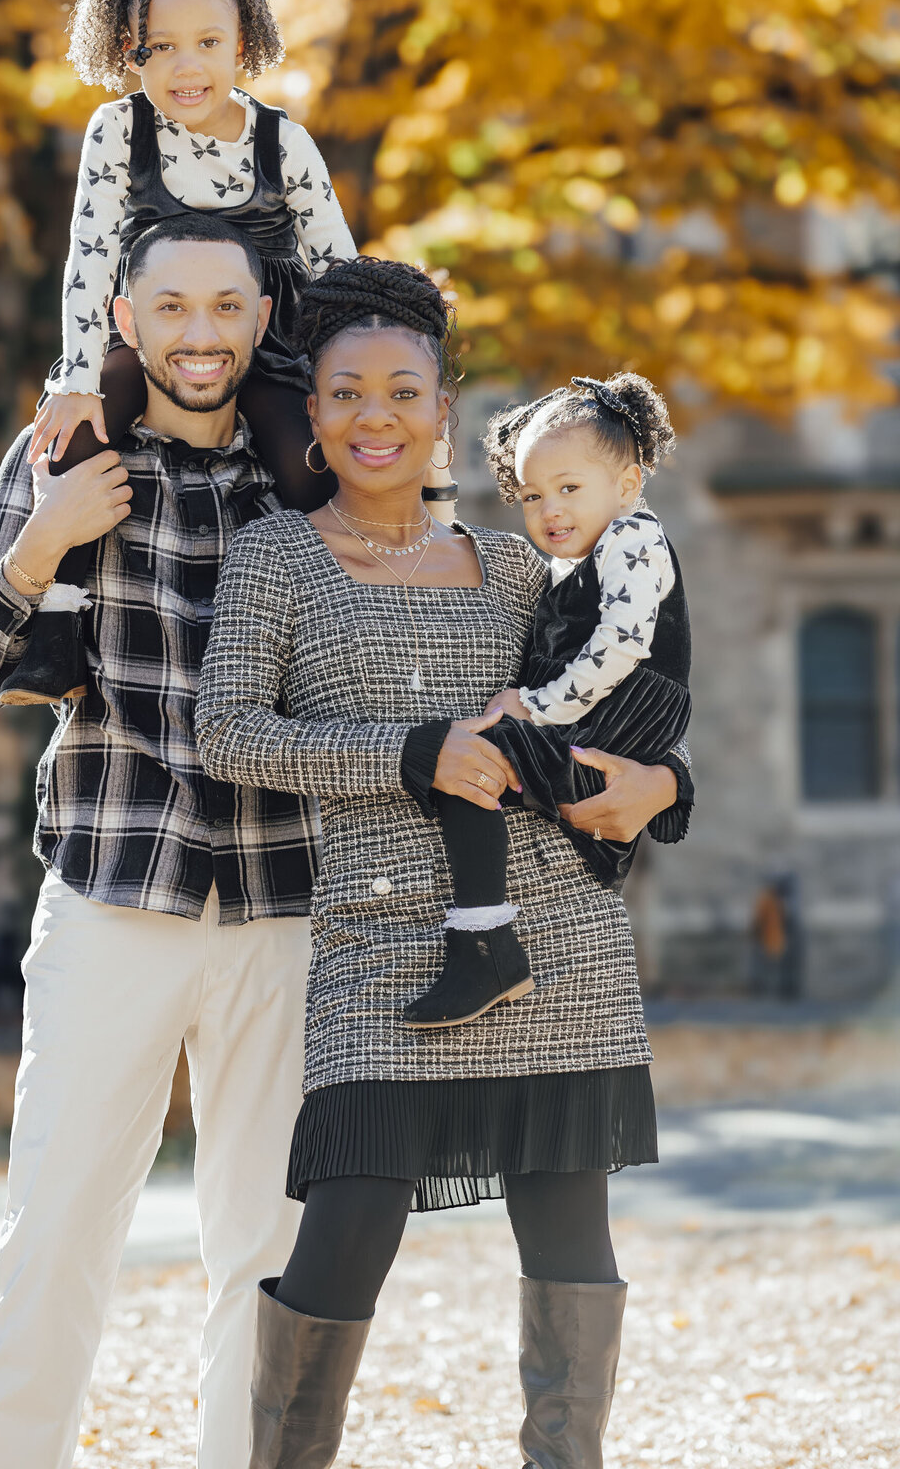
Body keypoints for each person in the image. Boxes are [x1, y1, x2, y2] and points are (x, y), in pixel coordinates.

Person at [195, 256, 693, 1469]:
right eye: (349, 392)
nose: (378, 416)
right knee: (343, 1236)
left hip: (561, 949)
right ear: (312, 413)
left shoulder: (523, 565)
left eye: (404, 390)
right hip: (382, 957)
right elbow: (228, 735)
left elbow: (628, 705)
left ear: (444, 411)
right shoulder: (275, 561)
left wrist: (669, 790)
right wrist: (413, 751)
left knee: (573, 1250)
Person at [0, 214, 322, 1469]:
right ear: (122, 318)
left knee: (266, 1251)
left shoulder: (303, 480)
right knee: (57, 1230)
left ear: (262, 318)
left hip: (282, 905)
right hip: (114, 893)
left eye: (225, 308)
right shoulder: (69, 453)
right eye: (171, 308)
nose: (199, 334)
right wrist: (47, 536)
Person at [0, 0, 357, 707]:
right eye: (159, 47)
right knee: (75, 434)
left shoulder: (281, 142)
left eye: (208, 43)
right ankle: (58, 630)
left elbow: (338, 273)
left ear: (245, 43)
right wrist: (76, 376)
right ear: (127, 50)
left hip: (260, 346)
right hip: (148, 341)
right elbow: (89, 258)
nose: (186, 67)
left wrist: (357, 380)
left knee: (308, 468)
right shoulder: (117, 132)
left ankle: (332, 642)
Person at [403, 372, 693, 1029]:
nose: (549, 510)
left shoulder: (633, 538)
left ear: (626, 487)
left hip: (624, 712)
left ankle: (486, 946)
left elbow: (622, 647)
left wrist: (535, 705)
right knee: (480, 764)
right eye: (532, 495)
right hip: (601, 715)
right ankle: (492, 939)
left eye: (568, 489)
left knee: (478, 761)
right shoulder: (568, 567)